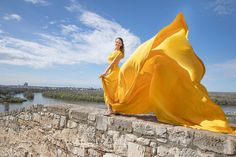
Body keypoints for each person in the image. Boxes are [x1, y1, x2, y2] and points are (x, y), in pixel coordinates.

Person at [99, 12, 235, 134]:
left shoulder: (119, 53)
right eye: (116, 42)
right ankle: (113, 108)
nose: (117, 43)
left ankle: (111, 110)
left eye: (119, 42)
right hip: (112, 72)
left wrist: (105, 71)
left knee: (113, 88)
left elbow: (113, 63)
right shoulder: (115, 51)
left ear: (121, 45)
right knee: (111, 91)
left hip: (114, 71)